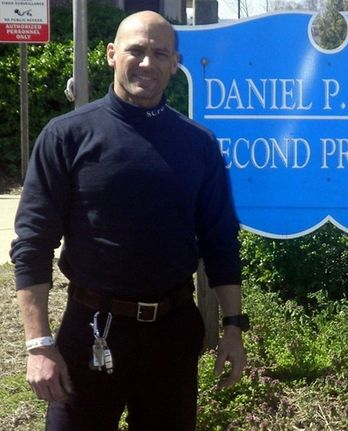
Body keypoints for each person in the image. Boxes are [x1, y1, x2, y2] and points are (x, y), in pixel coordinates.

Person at [11, 11, 248, 430]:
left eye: (160, 53)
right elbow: (32, 241)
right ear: (111, 54)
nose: (146, 63)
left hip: (172, 335)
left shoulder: (199, 145)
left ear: (175, 63)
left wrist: (233, 327)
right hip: (91, 330)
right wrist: (38, 344)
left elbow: (220, 241)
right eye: (135, 50)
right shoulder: (66, 136)